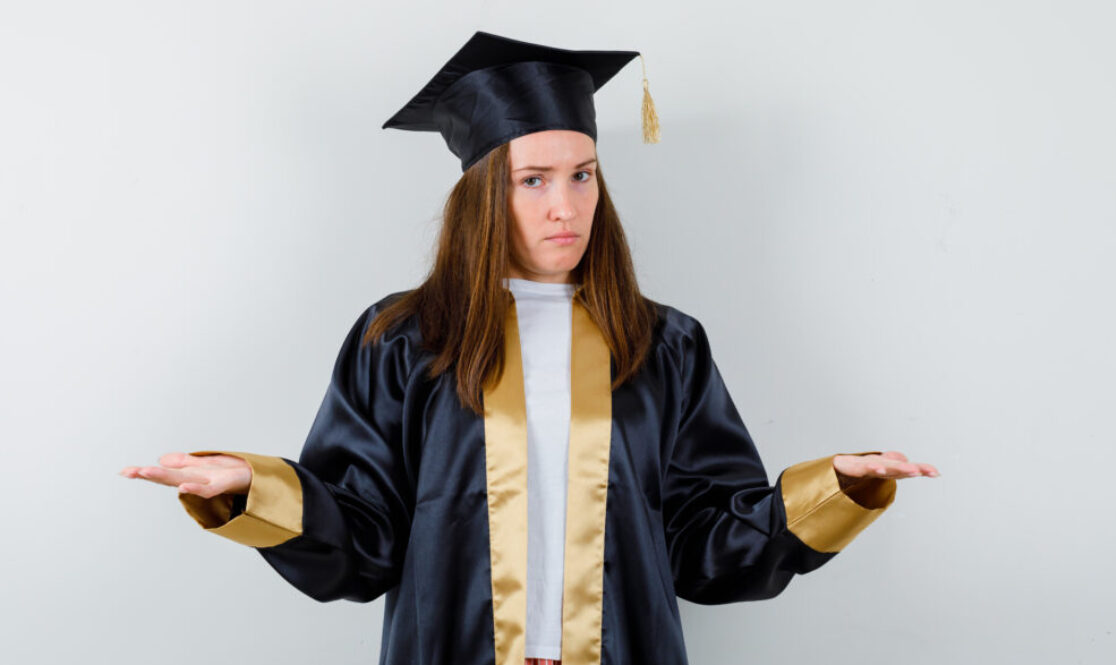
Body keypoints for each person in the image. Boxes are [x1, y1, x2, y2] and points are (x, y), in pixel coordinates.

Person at [120, 31, 939, 665]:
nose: (566, 206)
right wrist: (250, 491)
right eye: (533, 179)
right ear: (485, 193)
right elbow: (364, 543)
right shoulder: (407, 342)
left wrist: (831, 493)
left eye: (582, 175)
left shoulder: (661, 344)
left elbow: (702, 547)